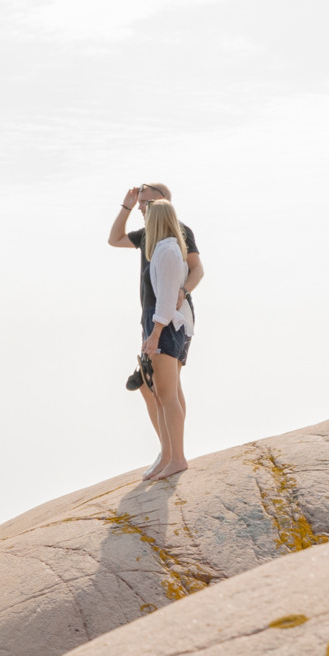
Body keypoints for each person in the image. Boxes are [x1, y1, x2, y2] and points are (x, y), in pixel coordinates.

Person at [107, 183, 202, 481]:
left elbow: (195, 270)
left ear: (161, 203)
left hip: (167, 317)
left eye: (145, 204)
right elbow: (114, 240)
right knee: (159, 389)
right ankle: (169, 452)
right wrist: (125, 206)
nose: (141, 208)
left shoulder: (174, 238)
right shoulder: (154, 237)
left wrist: (182, 293)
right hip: (157, 316)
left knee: (166, 391)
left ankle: (175, 456)